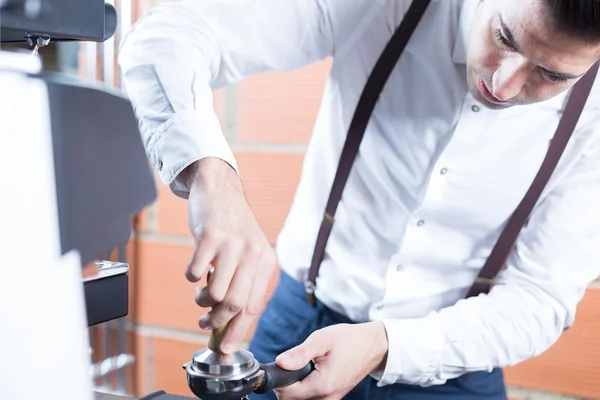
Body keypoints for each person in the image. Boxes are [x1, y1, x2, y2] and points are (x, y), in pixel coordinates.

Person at [117, 0, 600, 399]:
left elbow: (539, 298)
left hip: (453, 367)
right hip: (299, 324)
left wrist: (386, 344)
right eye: (504, 37)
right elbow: (165, 38)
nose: (504, 85)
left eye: (552, 76)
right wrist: (212, 179)